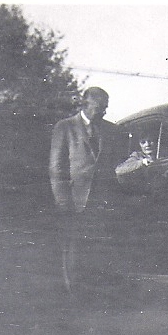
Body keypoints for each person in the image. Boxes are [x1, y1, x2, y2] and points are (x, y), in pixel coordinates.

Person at [48, 87, 123, 295]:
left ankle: (98, 296)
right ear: (85, 104)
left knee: (100, 250)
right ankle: (74, 296)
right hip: (75, 201)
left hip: (104, 201)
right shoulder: (64, 128)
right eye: (99, 108)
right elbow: (57, 168)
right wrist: (63, 201)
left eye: (106, 108)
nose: (104, 113)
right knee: (74, 251)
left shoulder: (112, 130)